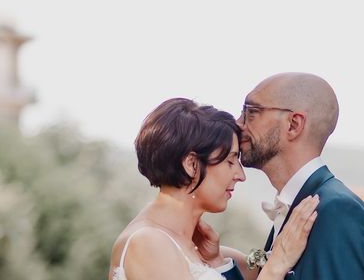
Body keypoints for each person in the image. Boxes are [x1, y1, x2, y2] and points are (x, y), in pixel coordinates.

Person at [109, 98, 319, 280]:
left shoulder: (205, 249)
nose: (241, 175)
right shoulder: (148, 243)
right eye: (230, 161)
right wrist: (275, 266)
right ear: (191, 164)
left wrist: (219, 263)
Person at [215, 73, 364, 279]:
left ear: (293, 125)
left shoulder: (336, 212)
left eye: (251, 112)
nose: (238, 123)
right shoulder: (303, 206)